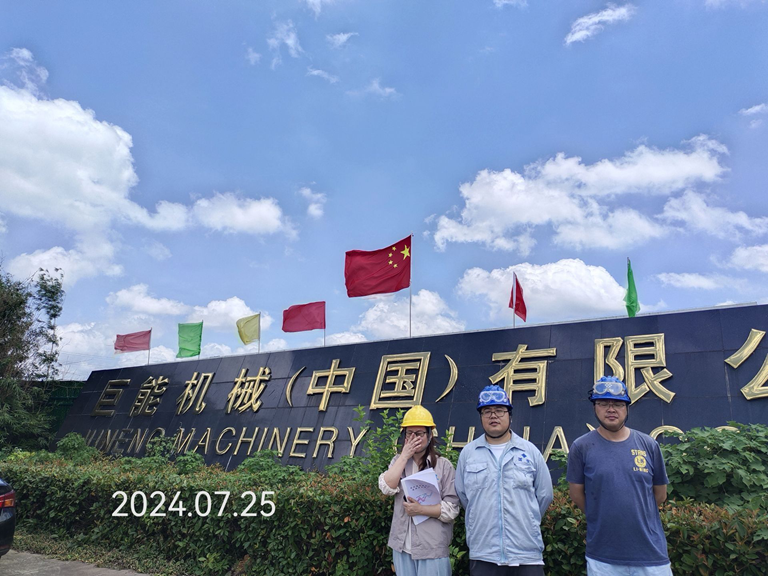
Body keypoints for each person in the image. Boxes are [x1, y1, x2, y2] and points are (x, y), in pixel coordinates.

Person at [567, 376, 672, 576]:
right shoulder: (581, 447)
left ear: (627, 407)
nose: (611, 409)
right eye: (603, 403)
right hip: (603, 556)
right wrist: (601, 514)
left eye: (617, 404)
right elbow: (576, 493)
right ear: (594, 407)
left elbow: (660, 494)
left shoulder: (648, 445)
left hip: (651, 555)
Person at [455, 385, 553, 576]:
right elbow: (463, 496)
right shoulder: (469, 453)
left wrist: (527, 519)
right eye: (487, 411)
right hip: (484, 553)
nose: (493, 416)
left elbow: (545, 495)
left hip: (526, 553)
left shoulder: (529, 451)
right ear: (480, 417)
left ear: (510, 415)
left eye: (499, 410)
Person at [379, 405, 460, 576]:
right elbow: (386, 487)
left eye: (419, 433)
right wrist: (404, 456)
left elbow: (452, 509)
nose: (414, 438)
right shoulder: (398, 461)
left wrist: (421, 510)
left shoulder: (443, 466)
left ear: (430, 435)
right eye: (409, 433)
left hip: (432, 548)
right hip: (401, 547)